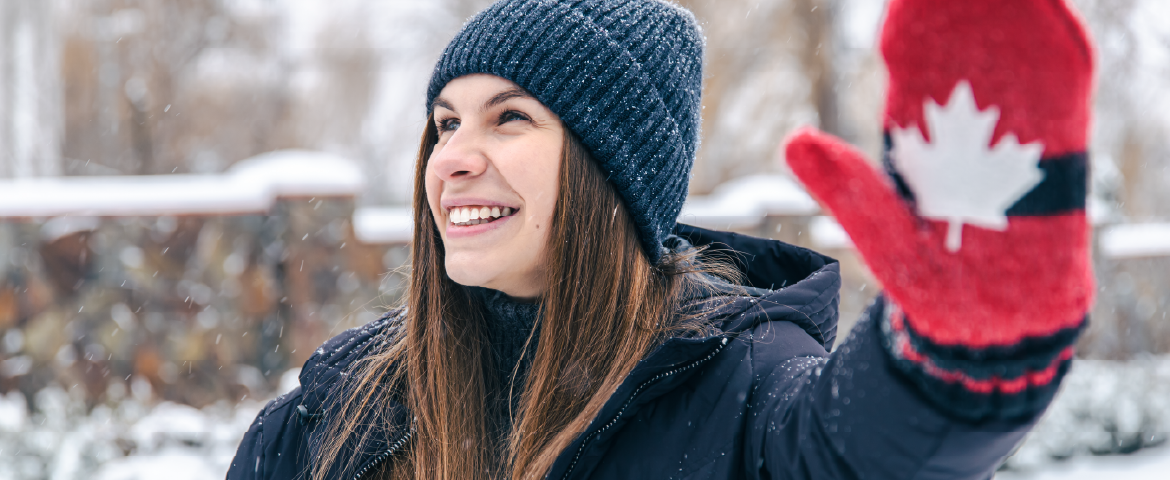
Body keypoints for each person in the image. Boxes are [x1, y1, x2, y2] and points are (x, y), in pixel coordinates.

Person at [228, 0, 1096, 478]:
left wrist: (961, 356)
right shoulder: (335, 413)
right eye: (446, 122)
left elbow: (870, 451)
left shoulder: (745, 396)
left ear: (613, 172)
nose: (453, 158)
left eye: (510, 118)